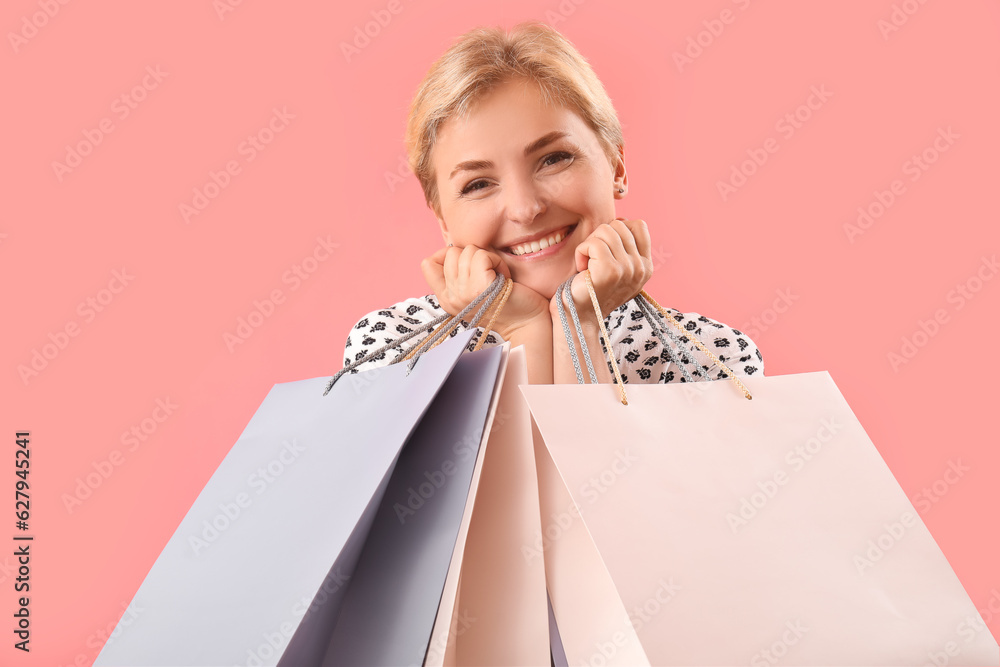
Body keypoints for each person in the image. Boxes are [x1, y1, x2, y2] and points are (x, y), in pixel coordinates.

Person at [342, 21, 763, 386]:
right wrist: (525, 330)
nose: (526, 209)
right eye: (478, 184)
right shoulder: (394, 348)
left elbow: (590, 482)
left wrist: (579, 325)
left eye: (553, 159)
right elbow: (514, 483)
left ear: (616, 167)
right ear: (442, 220)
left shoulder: (713, 359)